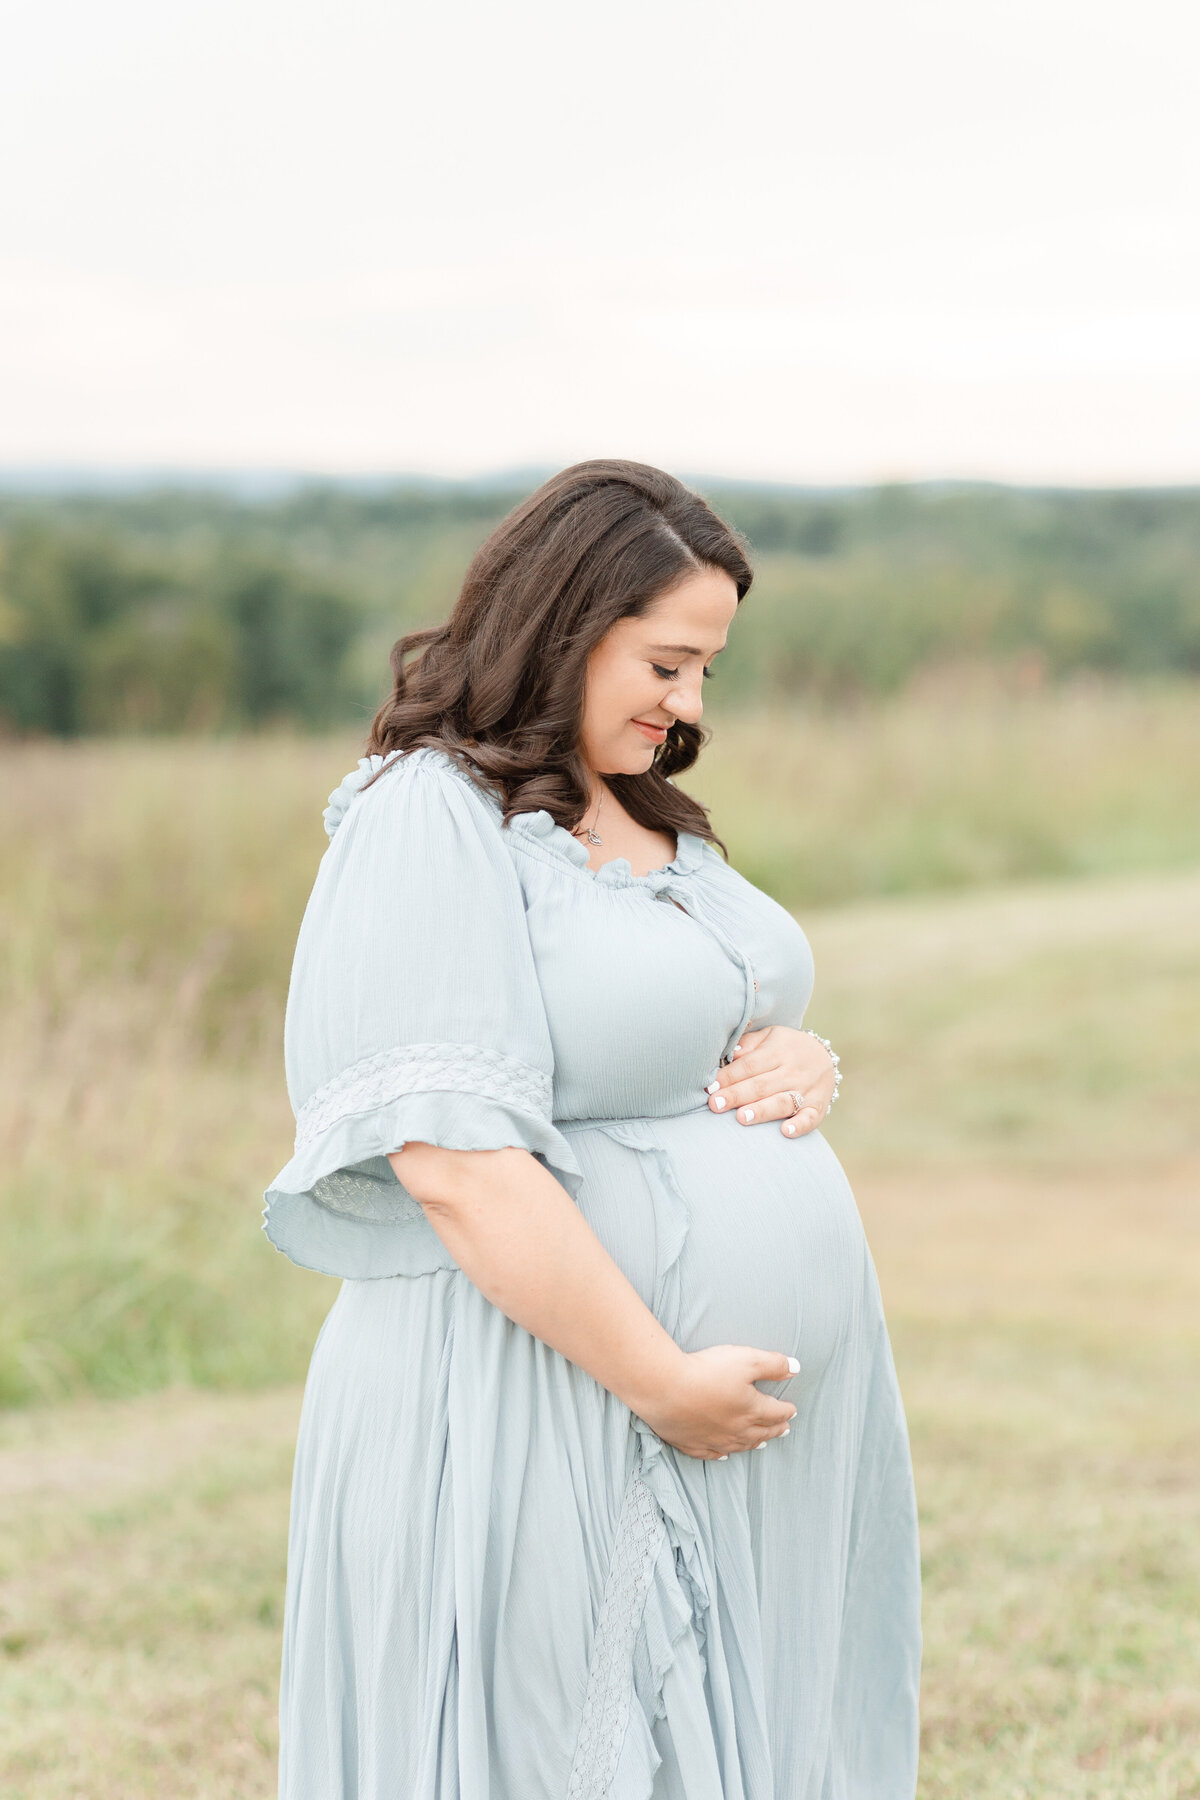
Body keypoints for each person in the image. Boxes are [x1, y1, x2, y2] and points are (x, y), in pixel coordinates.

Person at [264, 460, 921, 1799]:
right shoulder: (426, 817)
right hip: (547, 1394)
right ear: (565, 627)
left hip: (706, 1423)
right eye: (668, 665)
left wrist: (797, 1055)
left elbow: (690, 1018)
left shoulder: (644, 806)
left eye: (708, 676)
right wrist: (657, 1379)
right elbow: (450, 1159)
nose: (688, 708)